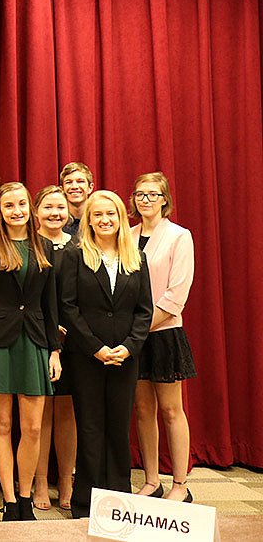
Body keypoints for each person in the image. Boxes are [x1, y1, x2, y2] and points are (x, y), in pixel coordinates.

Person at [0, 183, 61, 521]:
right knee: (3, 425)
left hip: (35, 342)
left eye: (22, 203)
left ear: (30, 207)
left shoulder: (45, 246)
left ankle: (26, 497)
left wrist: (55, 350)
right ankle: (10, 502)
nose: (17, 210)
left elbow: (50, 304)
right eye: (9, 205)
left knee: (34, 428)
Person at [60, 190, 152, 519]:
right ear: (88, 220)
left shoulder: (136, 257)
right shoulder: (74, 255)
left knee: (117, 427)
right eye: (97, 214)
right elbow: (67, 307)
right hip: (87, 356)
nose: (105, 220)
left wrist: (128, 347)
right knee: (90, 427)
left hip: (125, 356)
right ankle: (86, 503)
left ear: (121, 217)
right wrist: (95, 348)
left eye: (110, 214)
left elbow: (144, 311)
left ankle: (118, 502)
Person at [130, 173, 196, 503]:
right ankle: (152, 480)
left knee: (171, 411)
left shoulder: (178, 236)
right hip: (133, 337)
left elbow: (175, 296)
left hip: (163, 333)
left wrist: (137, 330)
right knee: (143, 411)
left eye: (152, 194)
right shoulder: (125, 236)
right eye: (140, 194)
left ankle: (180, 484)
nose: (145, 200)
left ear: (165, 199)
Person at [31, 186, 77, 511]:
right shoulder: (30, 246)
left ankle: (66, 479)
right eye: (48, 207)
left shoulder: (80, 246)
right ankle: (38, 483)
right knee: (40, 414)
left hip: (74, 340)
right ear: (37, 212)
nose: (55, 213)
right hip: (38, 337)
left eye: (60, 207)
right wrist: (50, 329)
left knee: (67, 413)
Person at [59, 162, 94, 236]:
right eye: (68, 182)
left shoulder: (98, 221)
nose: (74, 186)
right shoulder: (57, 223)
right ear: (62, 189)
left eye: (80, 181)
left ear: (90, 188)